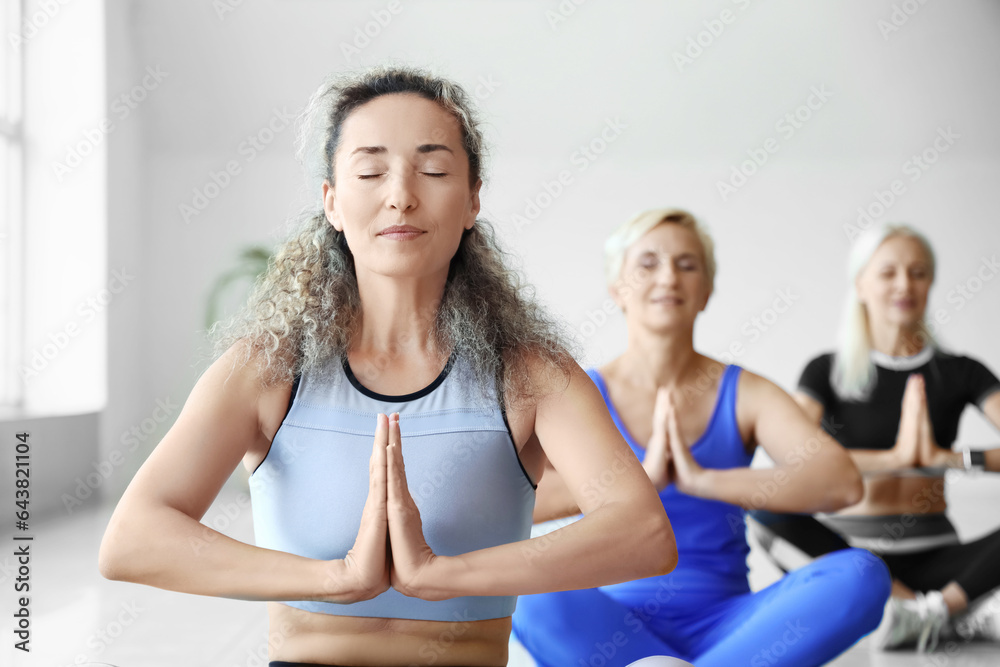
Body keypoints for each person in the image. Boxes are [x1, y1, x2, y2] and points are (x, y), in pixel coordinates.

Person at [97, 66, 677, 667]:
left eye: (433, 170)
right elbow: (132, 540)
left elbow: (644, 533)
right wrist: (336, 580)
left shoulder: (530, 375)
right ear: (332, 203)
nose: (400, 194)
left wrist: (441, 574)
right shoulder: (268, 369)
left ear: (473, 199)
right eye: (370, 171)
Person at [511, 208, 891, 667]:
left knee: (862, 574)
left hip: (732, 627)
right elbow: (512, 506)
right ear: (617, 289)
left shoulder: (745, 392)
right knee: (521, 583)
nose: (669, 276)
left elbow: (840, 482)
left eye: (687, 264)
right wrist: (638, 480)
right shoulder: (578, 394)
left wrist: (703, 480)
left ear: (706, 290)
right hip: (611, 626)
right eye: (647, 264)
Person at [749, 222, 1000, 652]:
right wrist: (896, 458)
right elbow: (791, 459)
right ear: (861, 283)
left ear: (930, 282)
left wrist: (949, 459)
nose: (904, 284)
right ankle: (927, 612)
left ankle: (934, 612)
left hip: (940, 555)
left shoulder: (961, 371)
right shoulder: (825, 371)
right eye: (888, 273)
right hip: (857, 560)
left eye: (918, 272)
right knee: (764, 509)